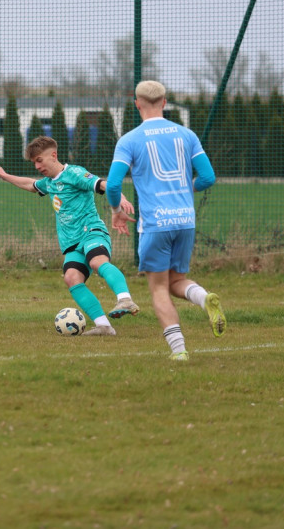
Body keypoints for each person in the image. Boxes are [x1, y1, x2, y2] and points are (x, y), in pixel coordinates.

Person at [106, 80, 225, 361]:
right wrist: (186, 190)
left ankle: (179, 350)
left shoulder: (130, 140)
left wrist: (116, 210)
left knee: (158, 287)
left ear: (137, 104)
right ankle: (203, 297)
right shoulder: (187, 135)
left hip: (156, 224)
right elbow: (208, 177)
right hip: (185, 220)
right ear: (165, 102)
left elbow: (112, 186)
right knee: (176, 281)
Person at [0, 136, 137, 336]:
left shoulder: (74, 173)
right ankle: (104, 326)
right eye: (34, 163)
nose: (37, 166)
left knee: (96, 262)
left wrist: (119, 197)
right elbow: (30, 185)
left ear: (53, 155)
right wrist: (4, 175)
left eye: (39, 160)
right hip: (72, 243)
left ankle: (125, 299)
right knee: (71, 277)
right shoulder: (50, 183)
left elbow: (101, 183)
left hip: (91, 231)